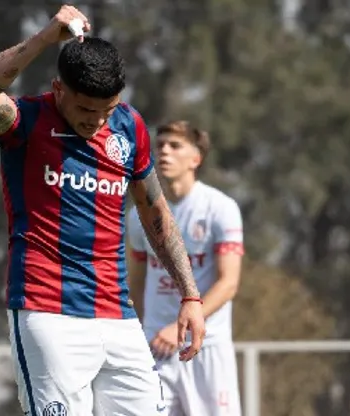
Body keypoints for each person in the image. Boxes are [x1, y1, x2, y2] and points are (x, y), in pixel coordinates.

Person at [0, 5, 206, 416]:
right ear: (59, 90)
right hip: (47, 313)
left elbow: (154, 211)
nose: (96, 121)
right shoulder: (26, 123)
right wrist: (42, 39)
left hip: (118, 315)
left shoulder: (129, 127)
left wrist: (190, 295)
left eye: (106, 110)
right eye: (86, 110)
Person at [126, 120, 245, 416]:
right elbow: (136, 284)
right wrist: (142, 333)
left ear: (196, 158)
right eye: (161, 145)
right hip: (156, 349)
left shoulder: (220, 208)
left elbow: (228, 284)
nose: (164, 151)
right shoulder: (138, 216)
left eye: (175, 146)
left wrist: (178, 327)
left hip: (206, 349)